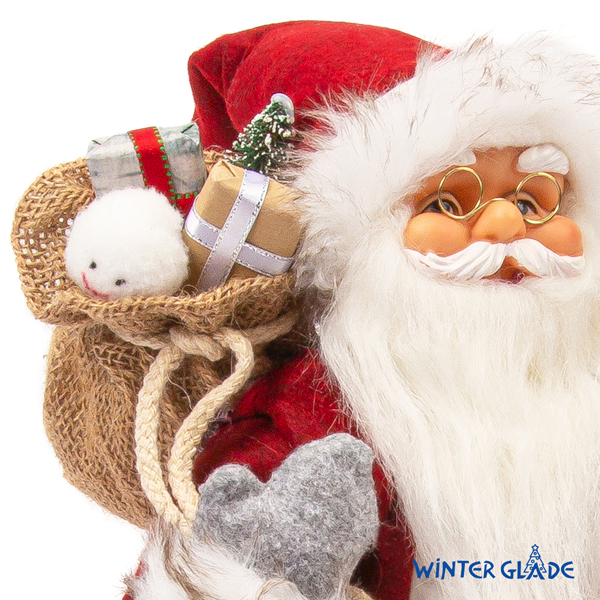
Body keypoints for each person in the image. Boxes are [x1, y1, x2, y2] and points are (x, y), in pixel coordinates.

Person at [126, 28, 600, 600]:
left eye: (532, 200)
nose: (506, 225)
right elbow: (229, 543)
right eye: (446, 203)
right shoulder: (321, 408)